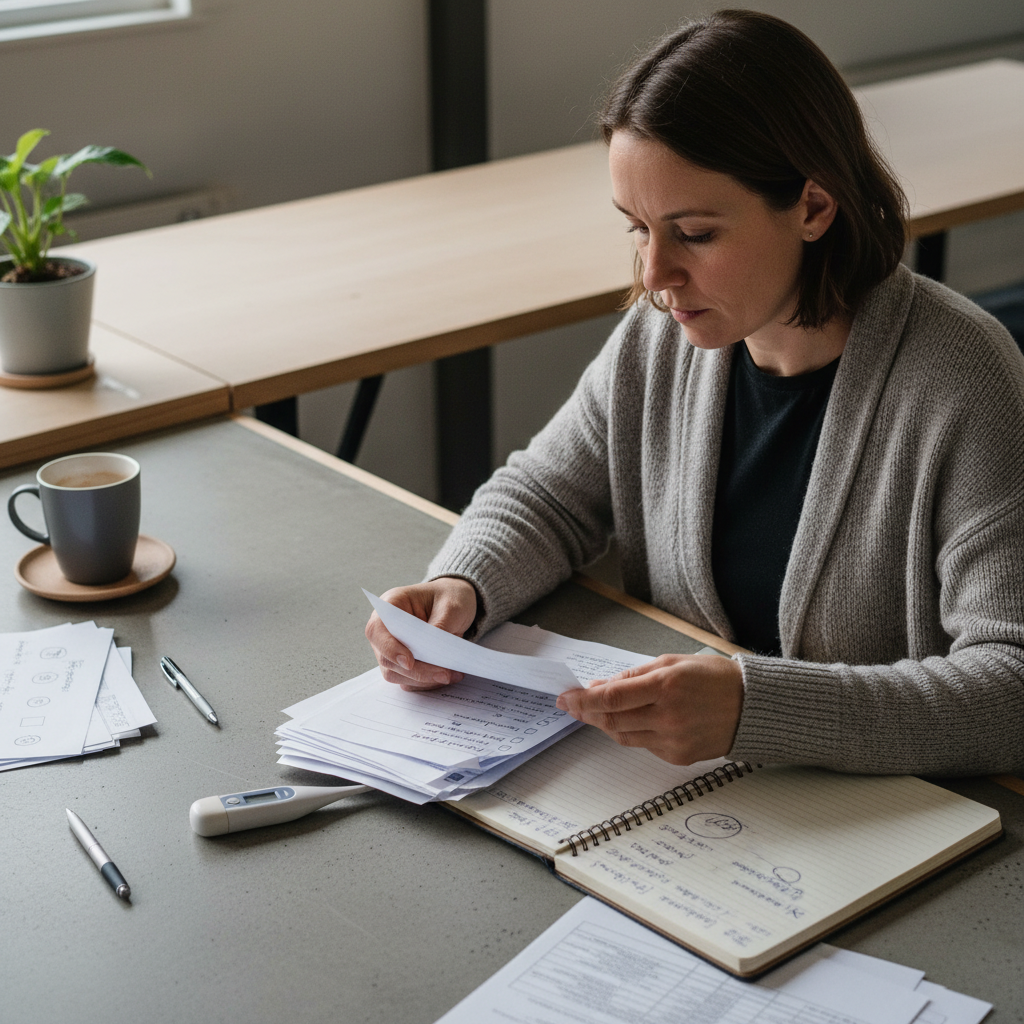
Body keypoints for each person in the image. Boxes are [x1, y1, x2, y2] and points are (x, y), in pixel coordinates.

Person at [366, 10, 1024, 776]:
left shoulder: (963, 381)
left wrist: (758, 709)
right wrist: (462, 585)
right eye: (637, 229)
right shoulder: (665, 337)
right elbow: (548, 493)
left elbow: (1012, 685)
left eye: (696, 234)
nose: (654, 276)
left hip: (892, 827)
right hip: (698, 804)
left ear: (813, 208)